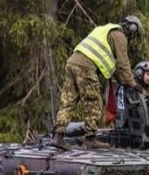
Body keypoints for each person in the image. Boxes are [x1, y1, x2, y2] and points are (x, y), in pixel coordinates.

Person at [54, 15, 143, 148]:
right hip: (86, 66)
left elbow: (117, 69)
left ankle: (58, 137)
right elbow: (123, 64)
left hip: (72, 62)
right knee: (93, 101)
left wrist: (124, 81)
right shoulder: (120, 36)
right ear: (132, 29)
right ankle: (90, 139)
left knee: (68, 101)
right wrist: (133, 84)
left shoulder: (106, 30)